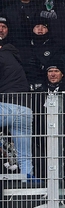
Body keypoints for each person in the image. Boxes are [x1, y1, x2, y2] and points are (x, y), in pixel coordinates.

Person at [0, 31, 36, 181]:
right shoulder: (14, 57)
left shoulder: (1, 56)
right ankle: (27, 181)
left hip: (6, 107)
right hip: (25, 110)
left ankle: (3, 144)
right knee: (25, 155)